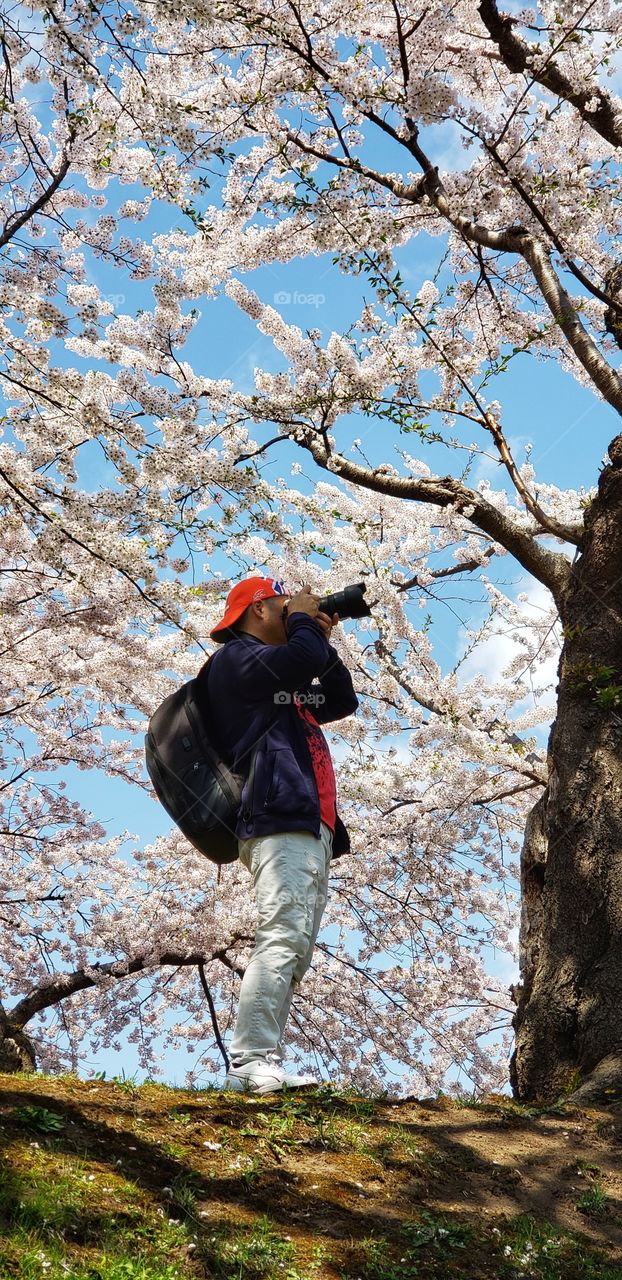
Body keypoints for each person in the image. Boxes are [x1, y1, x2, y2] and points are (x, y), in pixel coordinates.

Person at [195, 576, 358, 1094]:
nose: (293, 614)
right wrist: (305, 623)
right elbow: (299, 660)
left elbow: (340, 699)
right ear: (260, 609)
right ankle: (250, 1063)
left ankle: (259, 1062)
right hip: (278, 815)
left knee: (296, 947)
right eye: (285, 607)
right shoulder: (236, 662)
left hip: (310, 822)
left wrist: (319, 635)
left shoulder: (278, 679)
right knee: (282, 934)